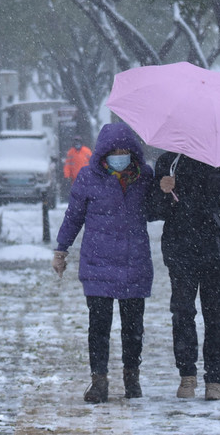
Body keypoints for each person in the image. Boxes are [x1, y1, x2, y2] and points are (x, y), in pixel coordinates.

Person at [51, 122, 154, 404]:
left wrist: (167, 190)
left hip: (135, 262)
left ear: (133, 151)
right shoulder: (87, 177)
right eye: (113, 150)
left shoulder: (145, 176)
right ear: (103, 153)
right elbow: (73, 216)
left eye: (124, 150)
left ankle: (132, 378)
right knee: (98, 327)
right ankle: (99, 382)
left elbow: (158, 210)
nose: (119, 155)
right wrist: (61, 250)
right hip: (98, 263)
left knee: (133, 328)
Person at [150, 152, 220, 401]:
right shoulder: (170, 161)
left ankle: (215, 378)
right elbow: (152, 210)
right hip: (181, 249)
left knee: (217, 314)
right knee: (182, 311)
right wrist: (163, 191)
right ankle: (187, 374)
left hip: (217, 250)